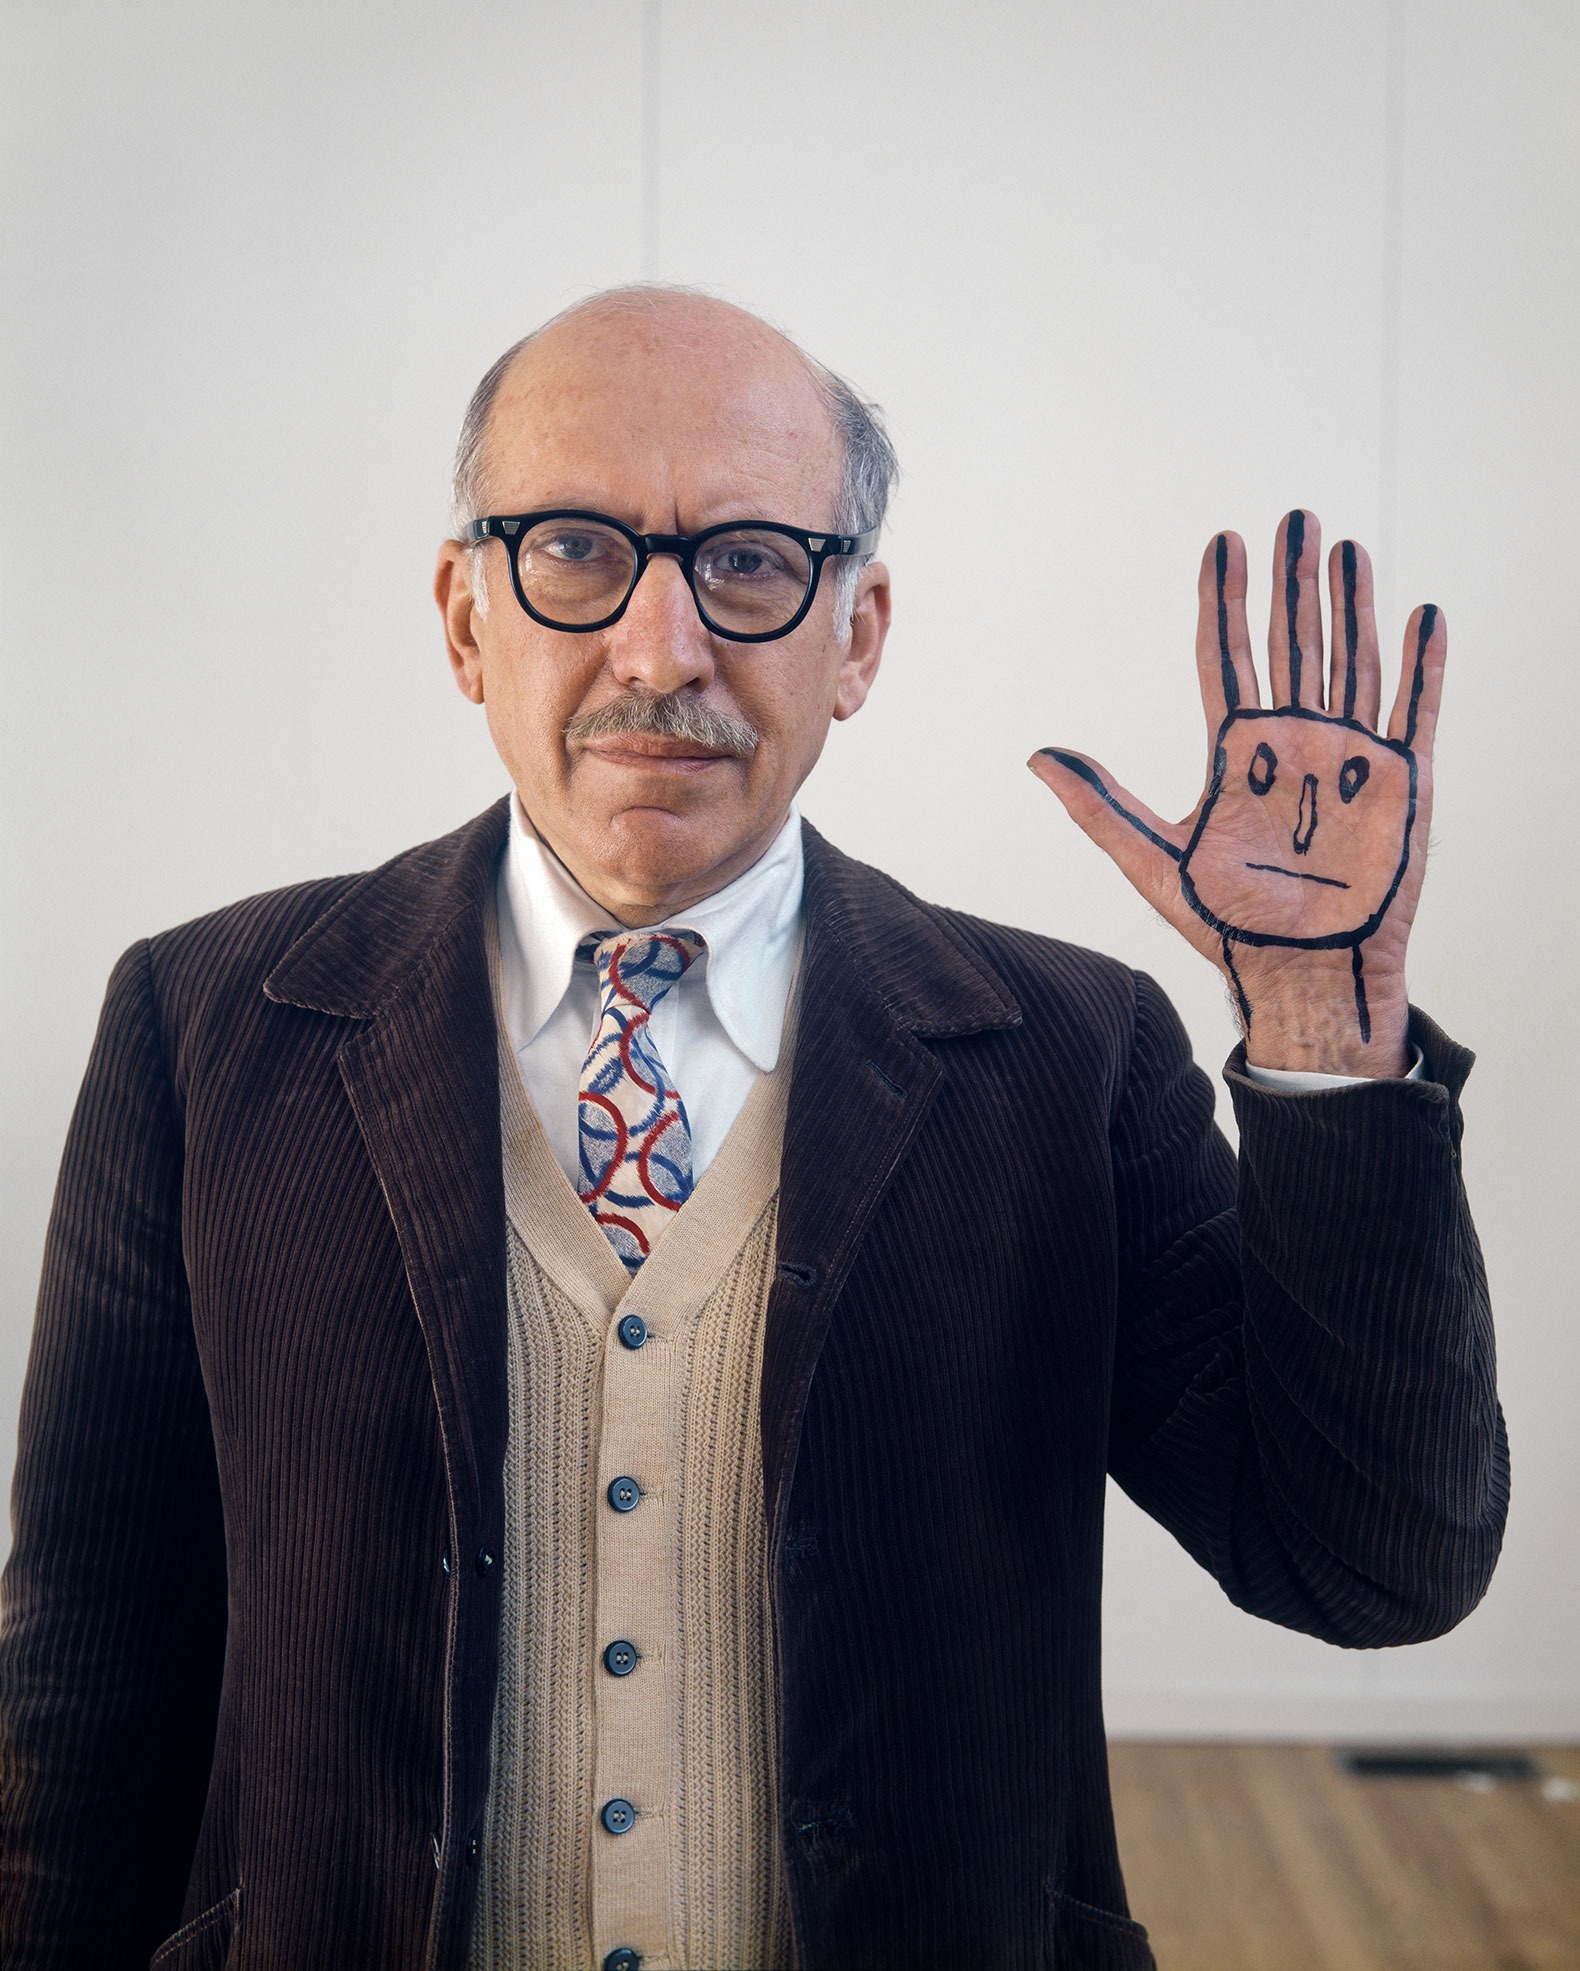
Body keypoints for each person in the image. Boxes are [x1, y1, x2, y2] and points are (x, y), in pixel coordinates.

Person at [0, 288, 1507, 1971]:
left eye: (749, 563)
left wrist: (1319, 1016)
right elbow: (86, 1662)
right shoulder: (207, 1030)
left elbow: (1374, 1564)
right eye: (574, 550)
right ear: (463, 617)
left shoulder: (1068, 1060)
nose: (662, 650)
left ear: (855, 636)